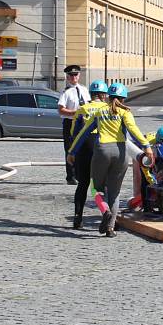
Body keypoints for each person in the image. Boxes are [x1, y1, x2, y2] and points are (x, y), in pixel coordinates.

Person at [68, 82, 153, 237]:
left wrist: (72, 151)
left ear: (108, 96)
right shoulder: (125, 112)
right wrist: (146, 147)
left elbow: (83, 133)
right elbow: (134, 131)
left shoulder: (100, 112)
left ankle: (105, 211)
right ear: (123, 98)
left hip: (102, 151)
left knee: (96, 188)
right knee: (114, 192)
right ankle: (110, 228)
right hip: (121, 153)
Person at [69, 80, 108, 229]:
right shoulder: (107, 109)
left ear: (91, 94)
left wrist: (73, 151)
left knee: (83, 184)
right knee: (103, 185)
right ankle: (108, 215)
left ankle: (78, 217)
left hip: (84, 147)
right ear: (104, 95)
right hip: (102, 145)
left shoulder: (82, 109)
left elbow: (74, 132)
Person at [57, 64, 90, 184]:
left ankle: (81, 173)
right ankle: (71, 176)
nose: (73, 77)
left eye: (75, 75)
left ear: (79, 75)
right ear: (67, 77)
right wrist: (75, 113)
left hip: (84, 122)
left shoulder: (84, 90)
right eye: (71, 75)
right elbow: (61, 110)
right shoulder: (66, 92)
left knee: (83, 148)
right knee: (70, 149)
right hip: (70, 122)